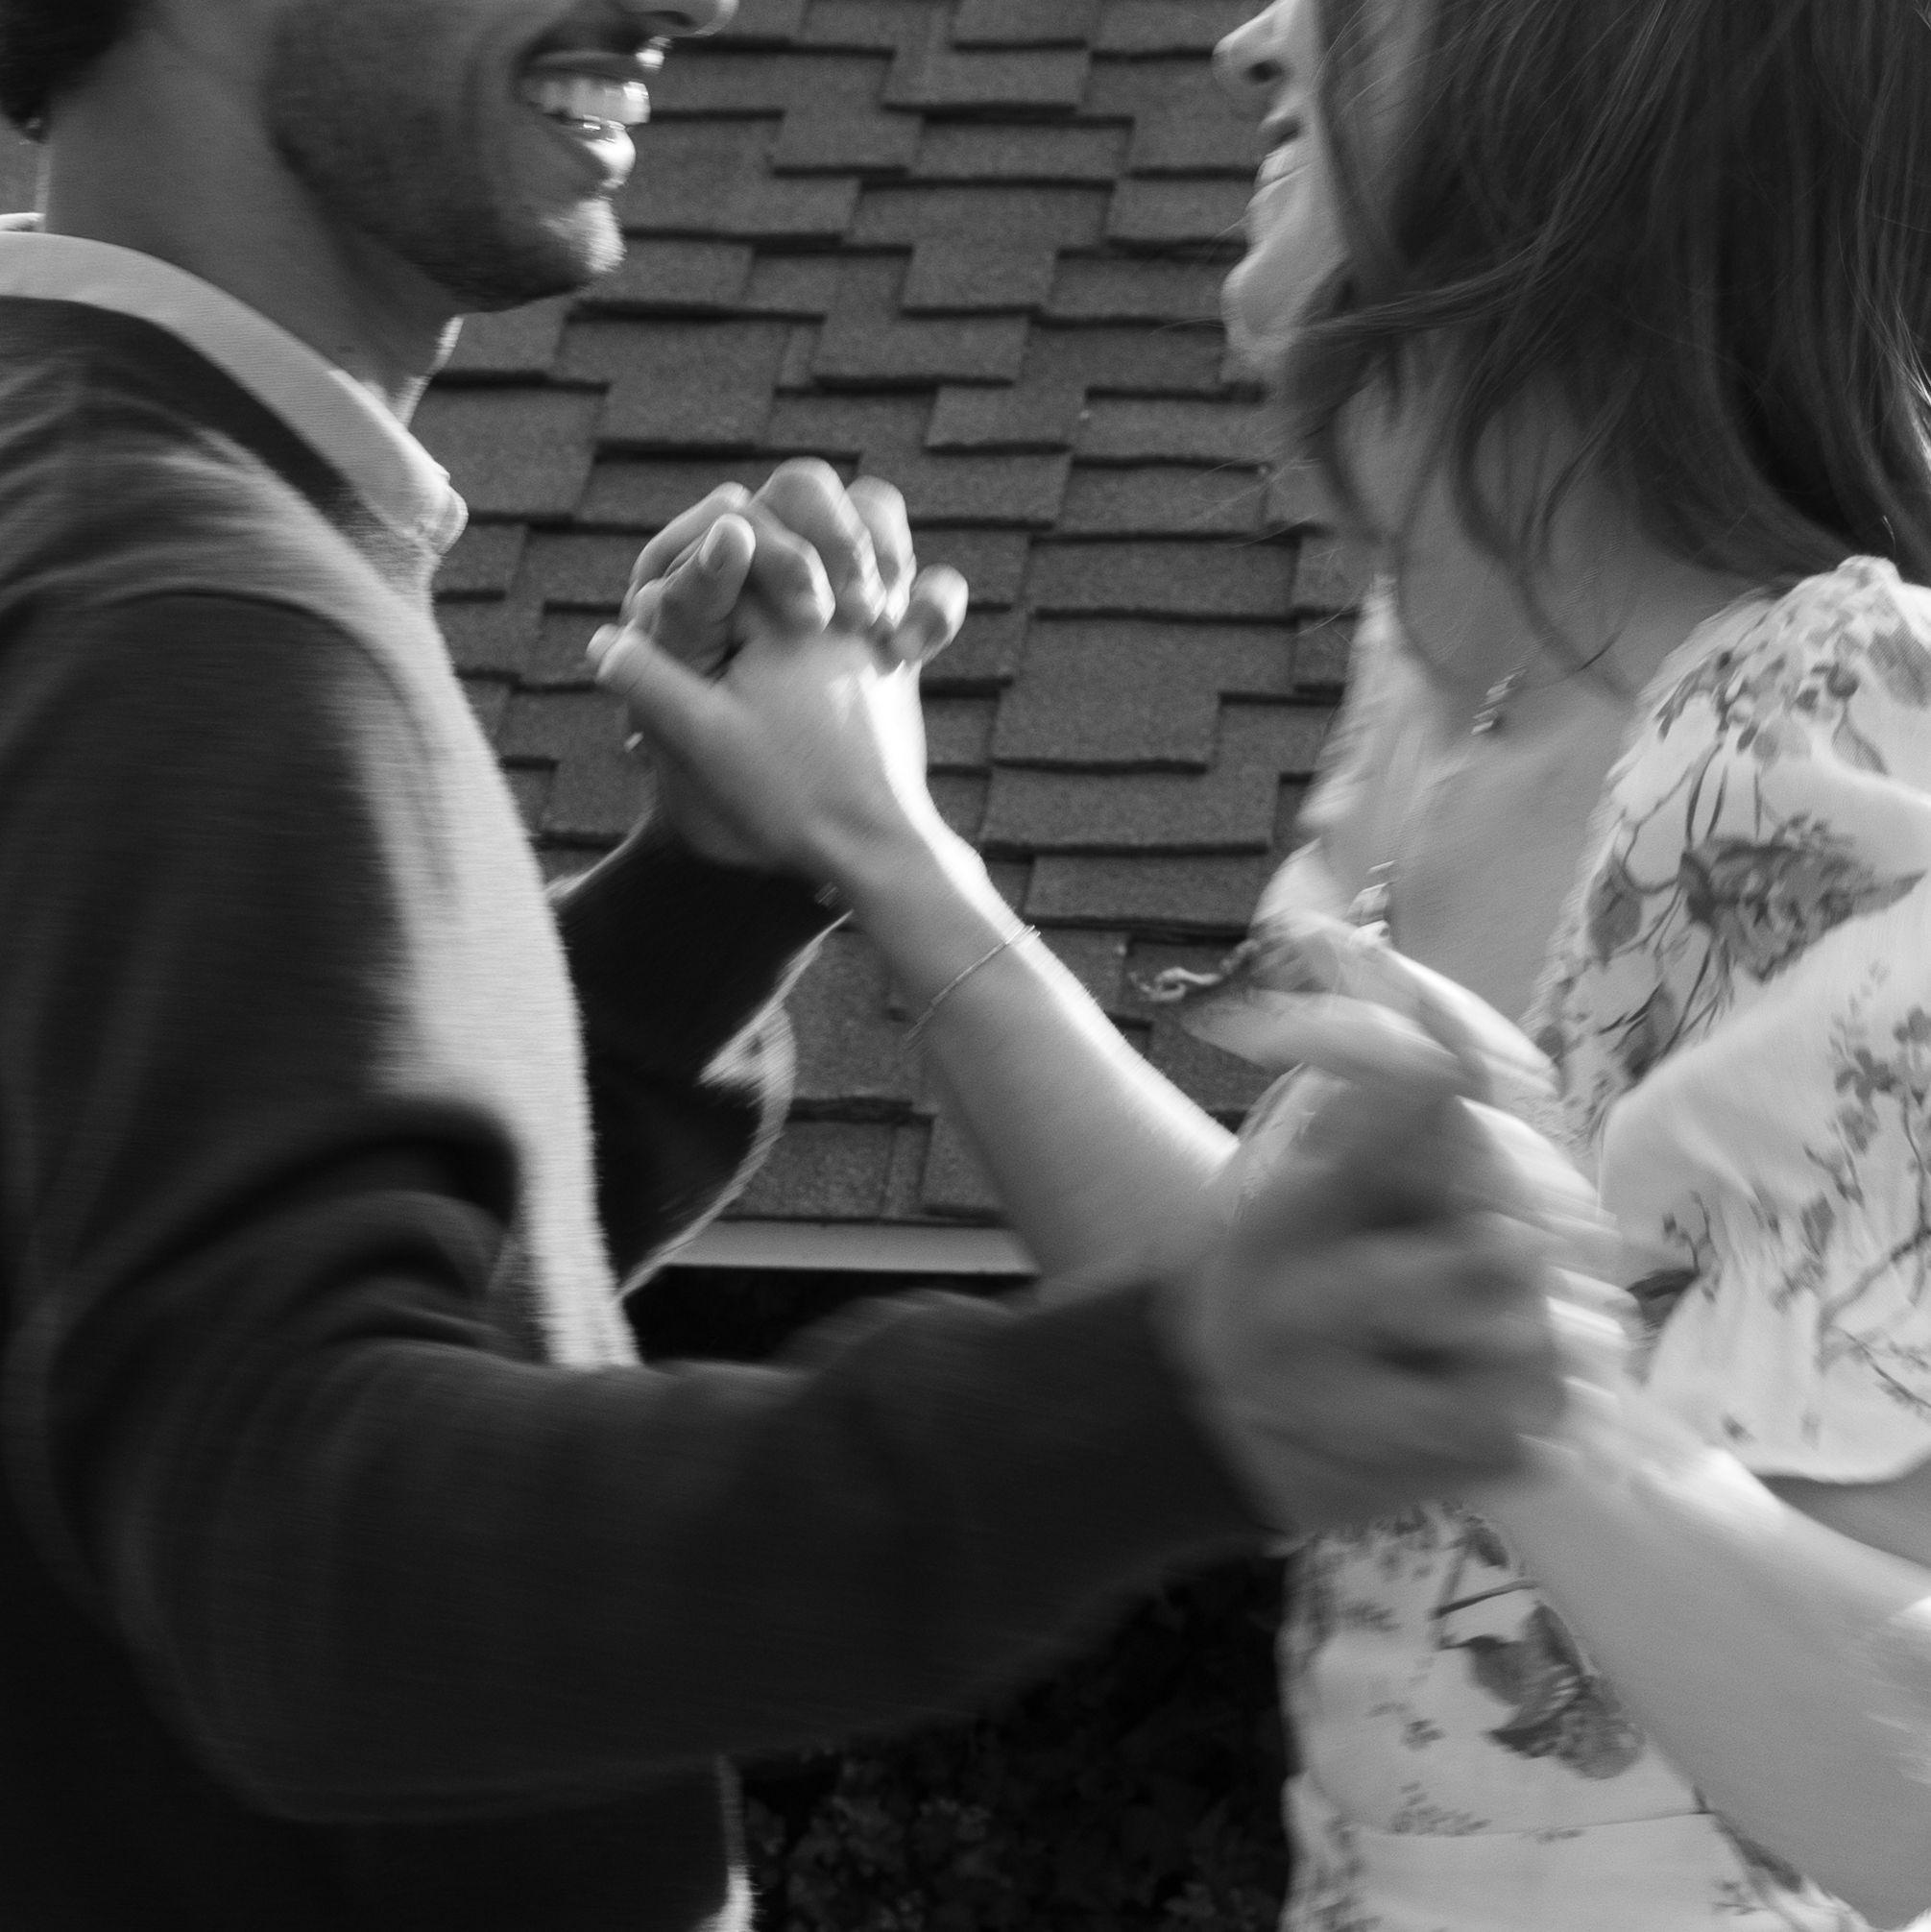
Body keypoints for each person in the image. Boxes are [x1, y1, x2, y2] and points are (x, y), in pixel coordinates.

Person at [0, 0, 1586, 1925]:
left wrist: (708, 899)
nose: (702, 3)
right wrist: (1160, 1397)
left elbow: (150, 1292)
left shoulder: (91, 496)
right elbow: (303, 1568)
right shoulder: (194, 613)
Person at [595, 0, 1931, 1927]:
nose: (1243, 41)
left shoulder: (1827, 736)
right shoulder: (1446, 701)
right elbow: (1258, 1334)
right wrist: (875, 840)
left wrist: (1536, 1398)